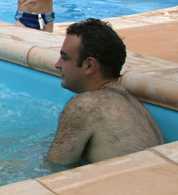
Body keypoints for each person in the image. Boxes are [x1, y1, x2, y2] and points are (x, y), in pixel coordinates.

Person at [48, 18, 164, 164]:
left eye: (64, 58)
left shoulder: (85, 105)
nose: (57, 64)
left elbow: (52, 167)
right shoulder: (131, 103)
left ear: (89, 65)